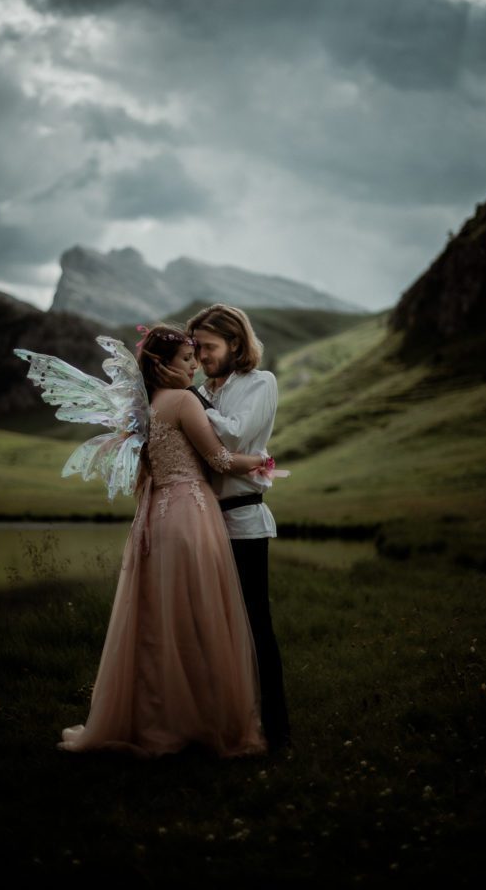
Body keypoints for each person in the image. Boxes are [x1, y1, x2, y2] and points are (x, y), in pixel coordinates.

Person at [57, 324, 270, 759]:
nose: (194, 367)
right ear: (163, 366)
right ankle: (198, 720)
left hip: (154, 515)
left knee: (158, 620)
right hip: (190, 514)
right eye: (187, 360)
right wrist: (262, 460)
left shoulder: (146, 407)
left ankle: (153, 717)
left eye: (196, 359)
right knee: (196, 617)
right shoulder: (182, 401)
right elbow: (220, 459)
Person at [158, 304, 290, 751]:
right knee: (209, 626)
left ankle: (276, 728)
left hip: (245, 521)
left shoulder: (260, 383)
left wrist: (192, 403)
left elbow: (233, 437)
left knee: (255, 624)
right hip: (202, 522)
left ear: (236, 343)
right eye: (196, 348)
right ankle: (220, 721)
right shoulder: (201, 389)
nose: (202, 357)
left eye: (209, 347)